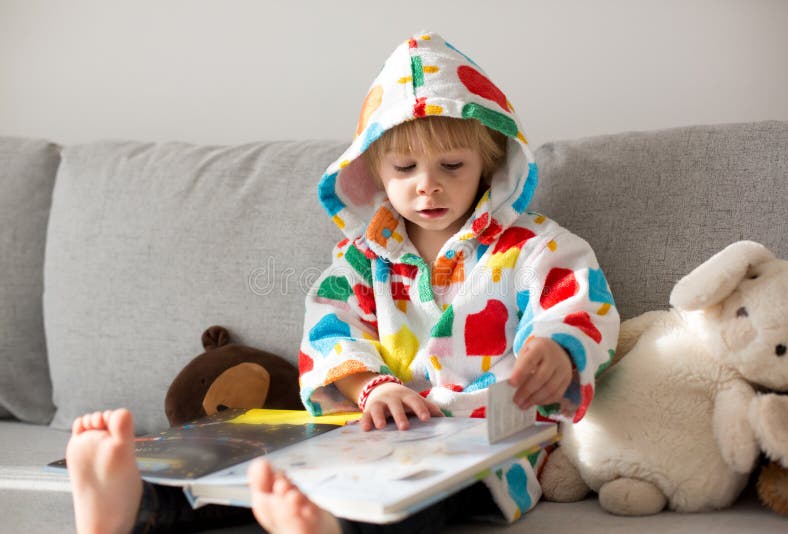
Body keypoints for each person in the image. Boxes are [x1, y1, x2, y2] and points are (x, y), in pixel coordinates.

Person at [66, 32, 619, 534]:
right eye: (405, 170)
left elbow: (577, 302)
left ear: (489, 161)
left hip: (482, 440)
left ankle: (330, 525)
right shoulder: (362, 257)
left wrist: (558, 350)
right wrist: (370, 389)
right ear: (374, 171)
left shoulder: (532, 247)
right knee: (261, 478)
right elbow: (330, 331)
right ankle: (136, 506)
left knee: (419, 498)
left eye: (451, 165)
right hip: (372, 431)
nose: (428, 188)